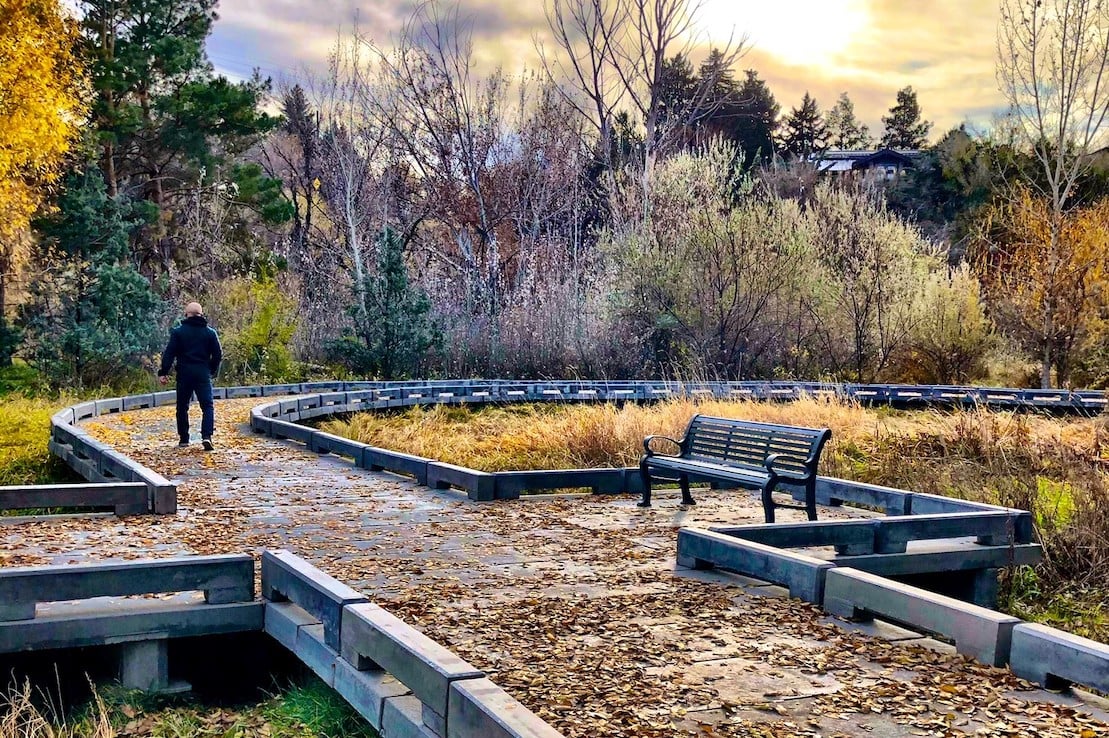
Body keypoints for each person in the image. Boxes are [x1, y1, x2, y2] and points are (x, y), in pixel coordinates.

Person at [158, 302, 222, 450]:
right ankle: (207, 436)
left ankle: (184, 439)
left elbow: (170, 353)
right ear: (201, 314)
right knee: (207, 406)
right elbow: (218, 355)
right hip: (202, 373)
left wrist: (163, 372)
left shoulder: (178, 332)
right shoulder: (210, 333)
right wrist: (211, 370)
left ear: (186, 314)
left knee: (182, 407)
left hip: (184, 373)